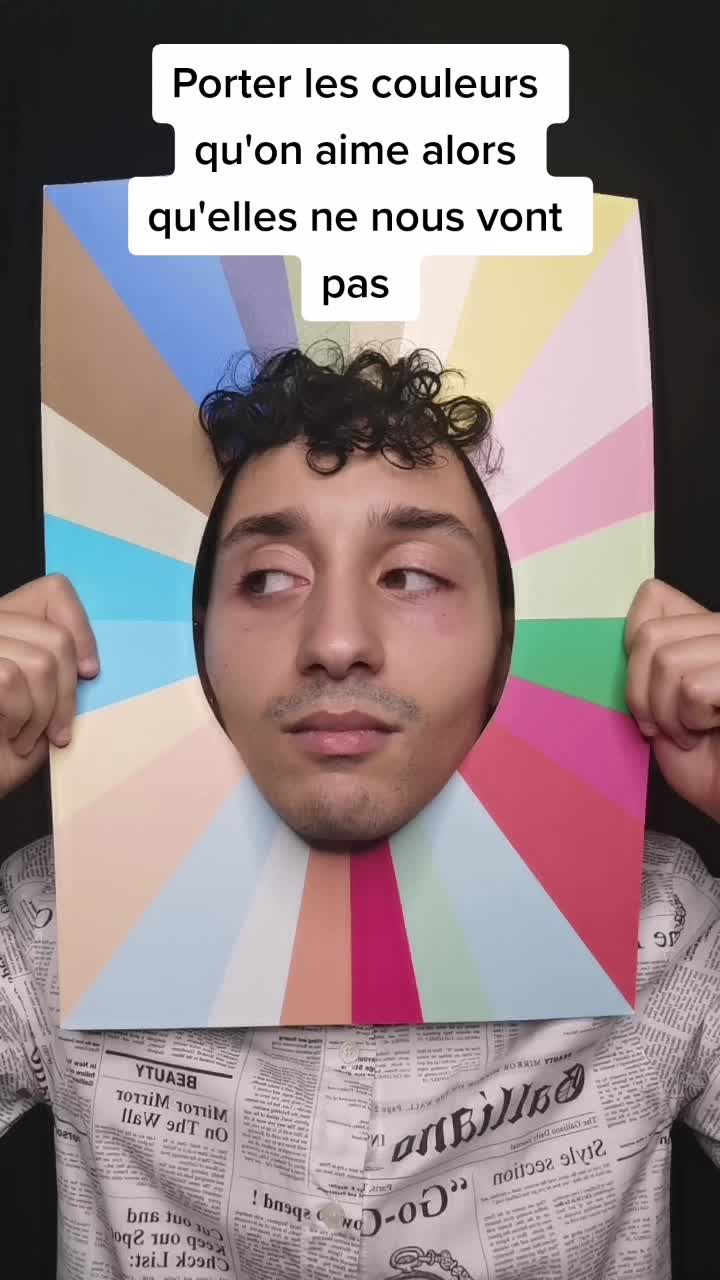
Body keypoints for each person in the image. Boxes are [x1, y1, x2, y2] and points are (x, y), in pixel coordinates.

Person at [0, 345, 718, 1280]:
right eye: (269, 578)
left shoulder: (666, 927)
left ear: (512, 647)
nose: (337, 643)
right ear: (195, 641)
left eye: (411, 575)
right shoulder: (51, 923)